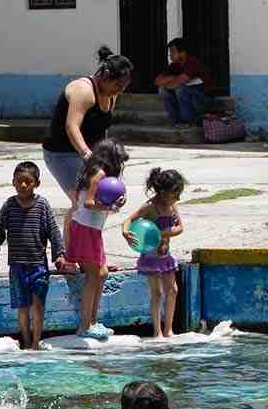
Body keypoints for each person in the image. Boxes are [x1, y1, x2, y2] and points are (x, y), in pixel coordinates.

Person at [0, 162, 67, 349]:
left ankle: (35, 342)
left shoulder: (42, 205)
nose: (23, 185)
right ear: (13, 182)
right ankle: (25, 340)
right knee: (23, 308)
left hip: (38, 265)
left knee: (38, 306)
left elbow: (54, 231)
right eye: (19, 181)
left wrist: (60, 254)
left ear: (36, 183)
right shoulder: (9, 206)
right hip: (17, 266)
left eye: (28, 182)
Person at [42, 46, 133, 199]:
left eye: (124, 86)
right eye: (118, 85)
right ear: (105, 75)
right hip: (62, 153)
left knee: (105, 197)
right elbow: (72, 127)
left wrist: (106, 155)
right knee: (82, 200)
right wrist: (86, 154)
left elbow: (102, 127)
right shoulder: (83, 90)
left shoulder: (111, 94)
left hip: (91, 154)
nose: (121, 90)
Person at [66, 140, 129, 340]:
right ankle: (85, 326)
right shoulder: (98, 174)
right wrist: (110, 208)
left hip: (92, 229)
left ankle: (93, 321)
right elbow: (89, 203)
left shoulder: (94, 173)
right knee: (93, 276)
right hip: (85, 229)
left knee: (101, 274)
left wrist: (116, 201)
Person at [122, 168, 186, 339]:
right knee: (157, 293)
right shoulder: (151, 207)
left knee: (172, 290)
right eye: (176, 193)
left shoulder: (172, 206)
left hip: (166, 256)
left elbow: (180, 227)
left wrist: (163, 233)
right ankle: (157, 331)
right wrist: (126, 232)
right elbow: (129, 220)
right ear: (164, 192)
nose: (178, 197)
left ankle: (169, 329)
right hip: (151, 257)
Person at [155, 38, 212, 127]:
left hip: (204, 102)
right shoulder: (175, 65)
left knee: (180, 89)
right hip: (189, 98)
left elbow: (176, 83)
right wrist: (174, 78)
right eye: (170, 52)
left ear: (182, 53)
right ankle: (175, 121)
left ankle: (188, 121)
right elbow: (157, 81)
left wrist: (171, 81)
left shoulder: (192, 62)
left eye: (173, 52)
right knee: (162, 90)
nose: (170, 55)